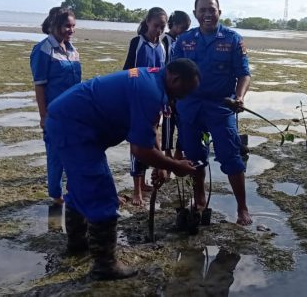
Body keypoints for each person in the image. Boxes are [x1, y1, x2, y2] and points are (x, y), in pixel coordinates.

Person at [44, 59, 200, 280]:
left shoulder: (154, 79)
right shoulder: (150, 91)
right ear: (175, 79)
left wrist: (161, 163)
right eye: (185, 91)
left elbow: (150, 127)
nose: (184, 97)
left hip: (68, 121)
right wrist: (176, 166)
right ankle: (104, 266)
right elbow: (140, 150)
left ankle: (78, 244)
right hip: (74, 129)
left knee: (81, 187)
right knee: (102, 196)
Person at [172, 0, 252, 225]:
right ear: (195, 13)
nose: (207, 14)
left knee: (231, 157)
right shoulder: (183, 40)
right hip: (189, 107)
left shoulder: (233, 39)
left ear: (219, 12)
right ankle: (199, 199)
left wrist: (239, 97)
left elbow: (244, 74)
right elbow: (172, 74)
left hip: (221, 106)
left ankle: (242, 208)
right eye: (202, 10)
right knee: (195, 157)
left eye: (212, 10)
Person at [30, 7, 81, 205]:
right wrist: (43, 116)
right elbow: (40, 86)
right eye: (67, 26)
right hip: (55, 113)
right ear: (55, 26)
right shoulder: (43, 50)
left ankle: (74, 191)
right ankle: (56, 197)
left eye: (73, 26)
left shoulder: (72, 50)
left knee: (75, 152)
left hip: (74, 113)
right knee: (56, 155)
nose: (71, 30)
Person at [122, 7, 168, 206]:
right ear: (147, 22)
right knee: (137, 142)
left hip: (156, 100)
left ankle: (145, 180)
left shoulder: (164, 44)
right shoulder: (137, 42)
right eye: (156, 25)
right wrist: (137, 83)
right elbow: (128, 70)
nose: (158, 30)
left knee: (152, 139)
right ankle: (136, 189)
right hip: (137, 100)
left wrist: (165, 100)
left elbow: (166, 73)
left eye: (162, 26)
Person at [160, 11, 192, 168]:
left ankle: (180, 149)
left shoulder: (182, 41)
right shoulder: (165, 40)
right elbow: (164, 62)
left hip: (179, 86)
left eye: (187, 28)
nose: (185, 31)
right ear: (174, 25)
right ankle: (167, 152)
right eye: (183, 28)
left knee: (182, 119)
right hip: (168, 84)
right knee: (168, 120)